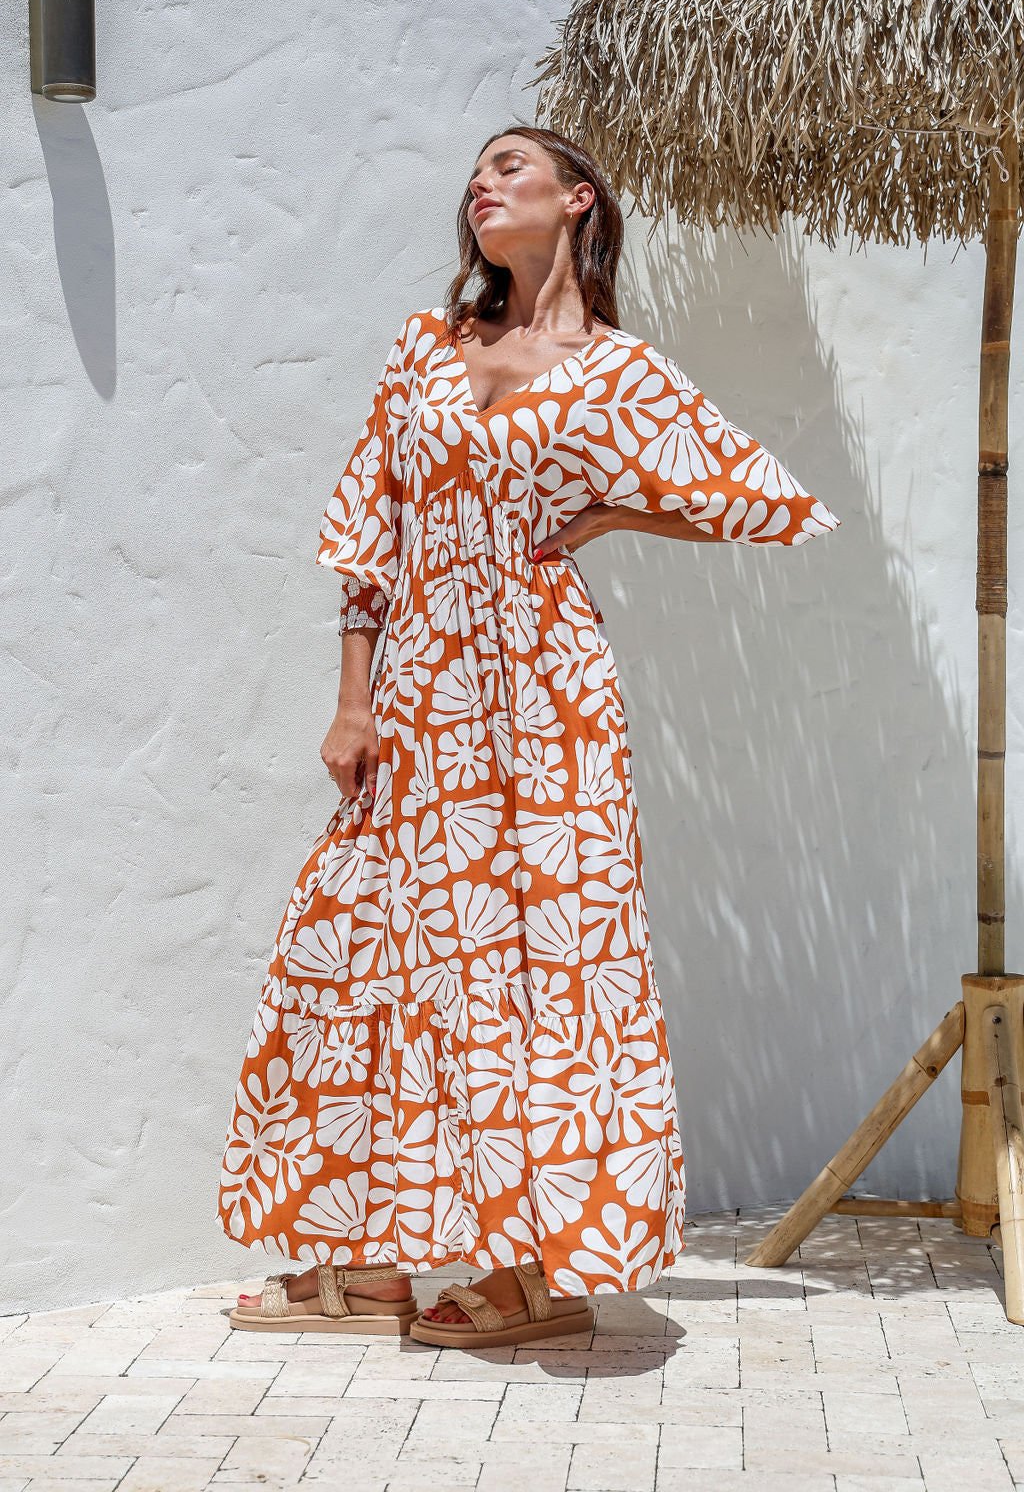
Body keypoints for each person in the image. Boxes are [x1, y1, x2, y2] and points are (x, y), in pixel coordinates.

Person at [217, 123, 840, 1349]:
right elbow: (368, 531)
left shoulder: (619, 374)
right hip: (423, 689)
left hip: (548, 693)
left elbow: (766, 501)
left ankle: (529, 1278)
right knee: (369, 942)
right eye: (476, 175)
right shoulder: (425, 350)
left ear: (576, 200)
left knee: (542, 959)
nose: (482, 183)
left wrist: (604, 510)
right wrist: (353, 696)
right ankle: (377, 1253)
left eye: (511, 165)